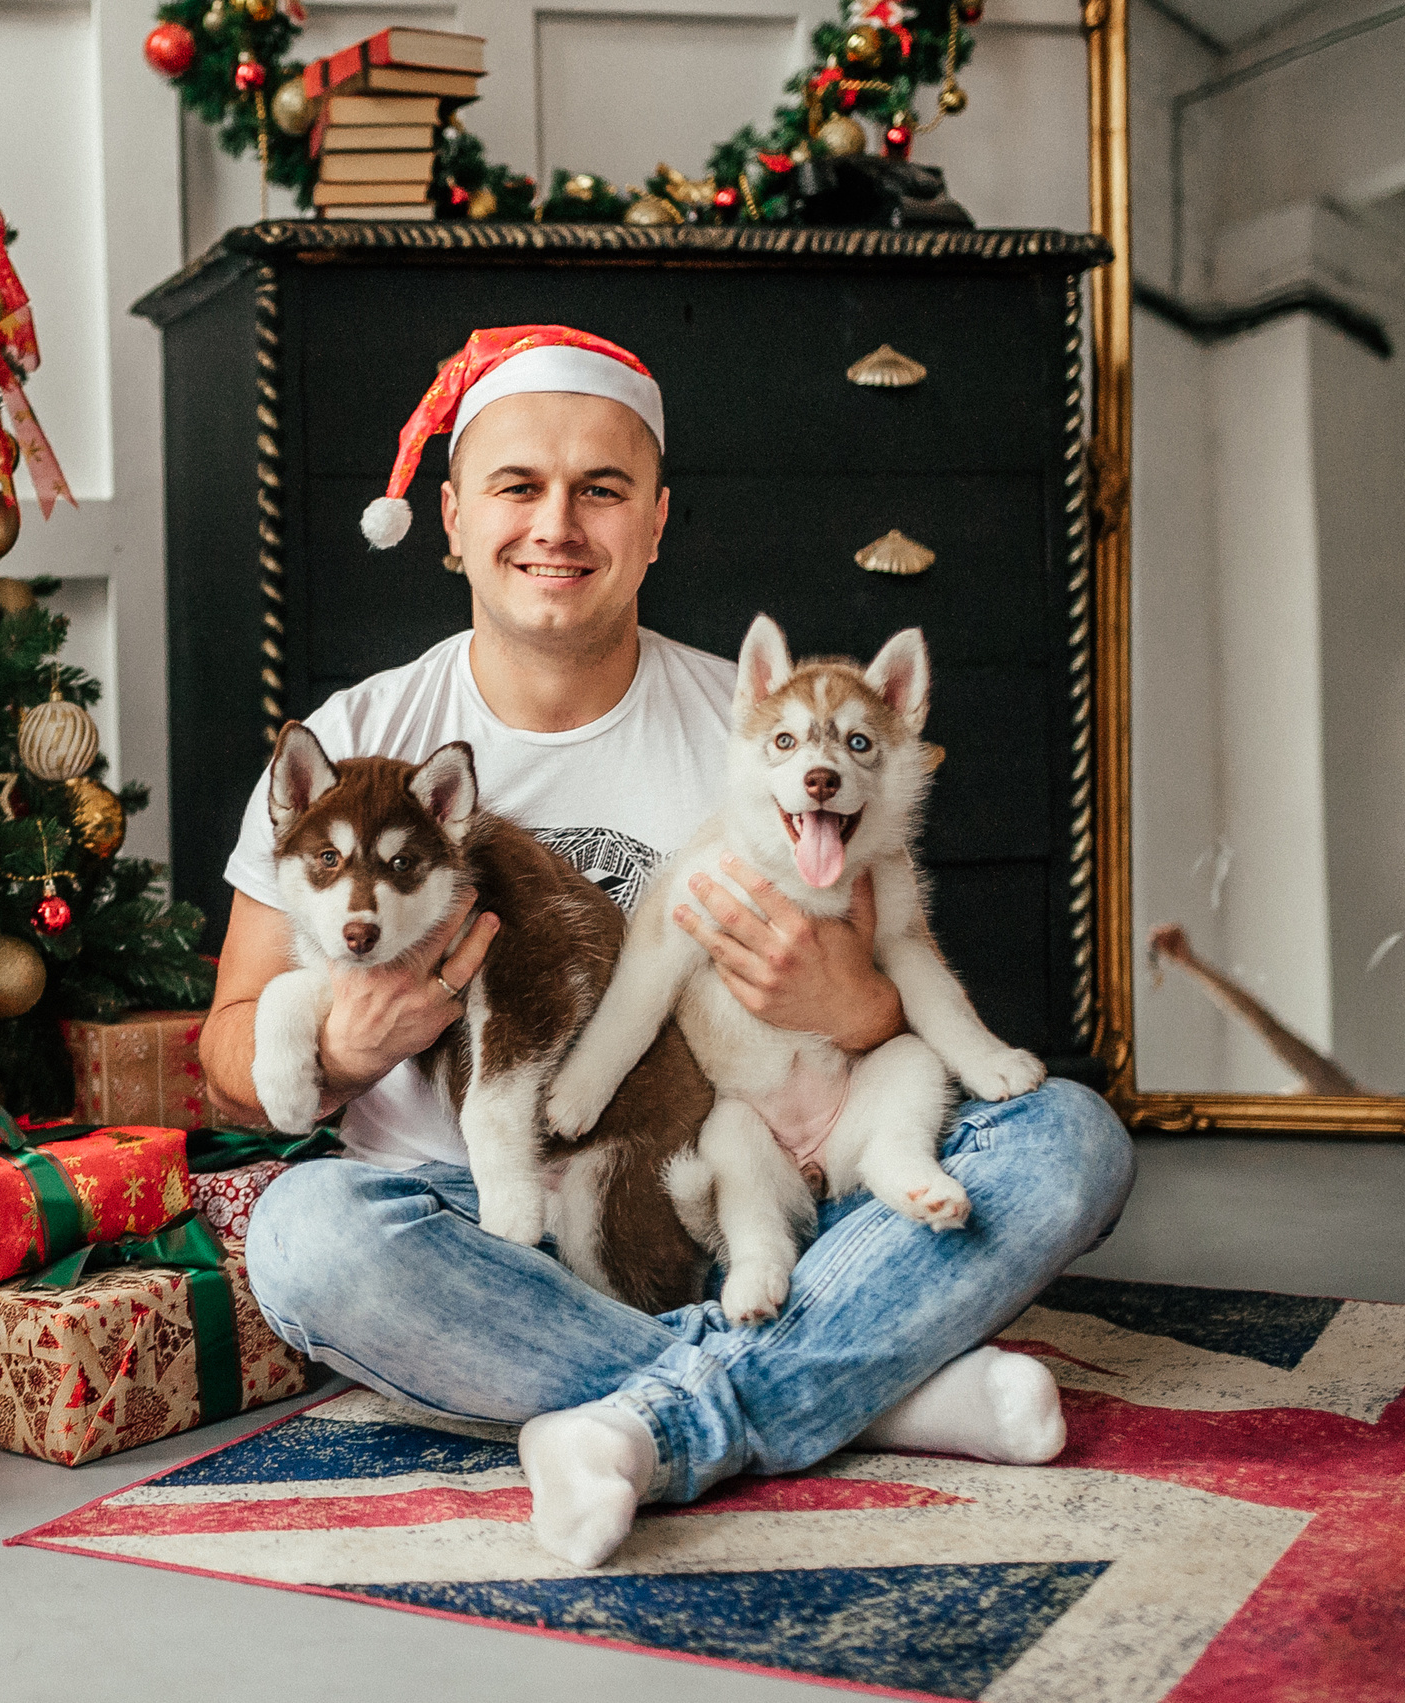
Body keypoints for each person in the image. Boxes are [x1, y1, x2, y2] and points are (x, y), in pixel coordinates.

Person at [199, 325, 1136, 1569]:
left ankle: (651, 1417)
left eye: (601, 489)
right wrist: (335, 1041)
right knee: (303, 1234)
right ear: (452, 517)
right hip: (471, 1225)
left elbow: (890, 1022)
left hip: (731, 1187)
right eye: (517, 486)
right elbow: (227, 1047)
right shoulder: (362, 735)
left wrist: (851, 1003)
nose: (557, 525)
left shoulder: (755, 730)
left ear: (654, 521)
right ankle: (864, 1388)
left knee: (1070, 1138)